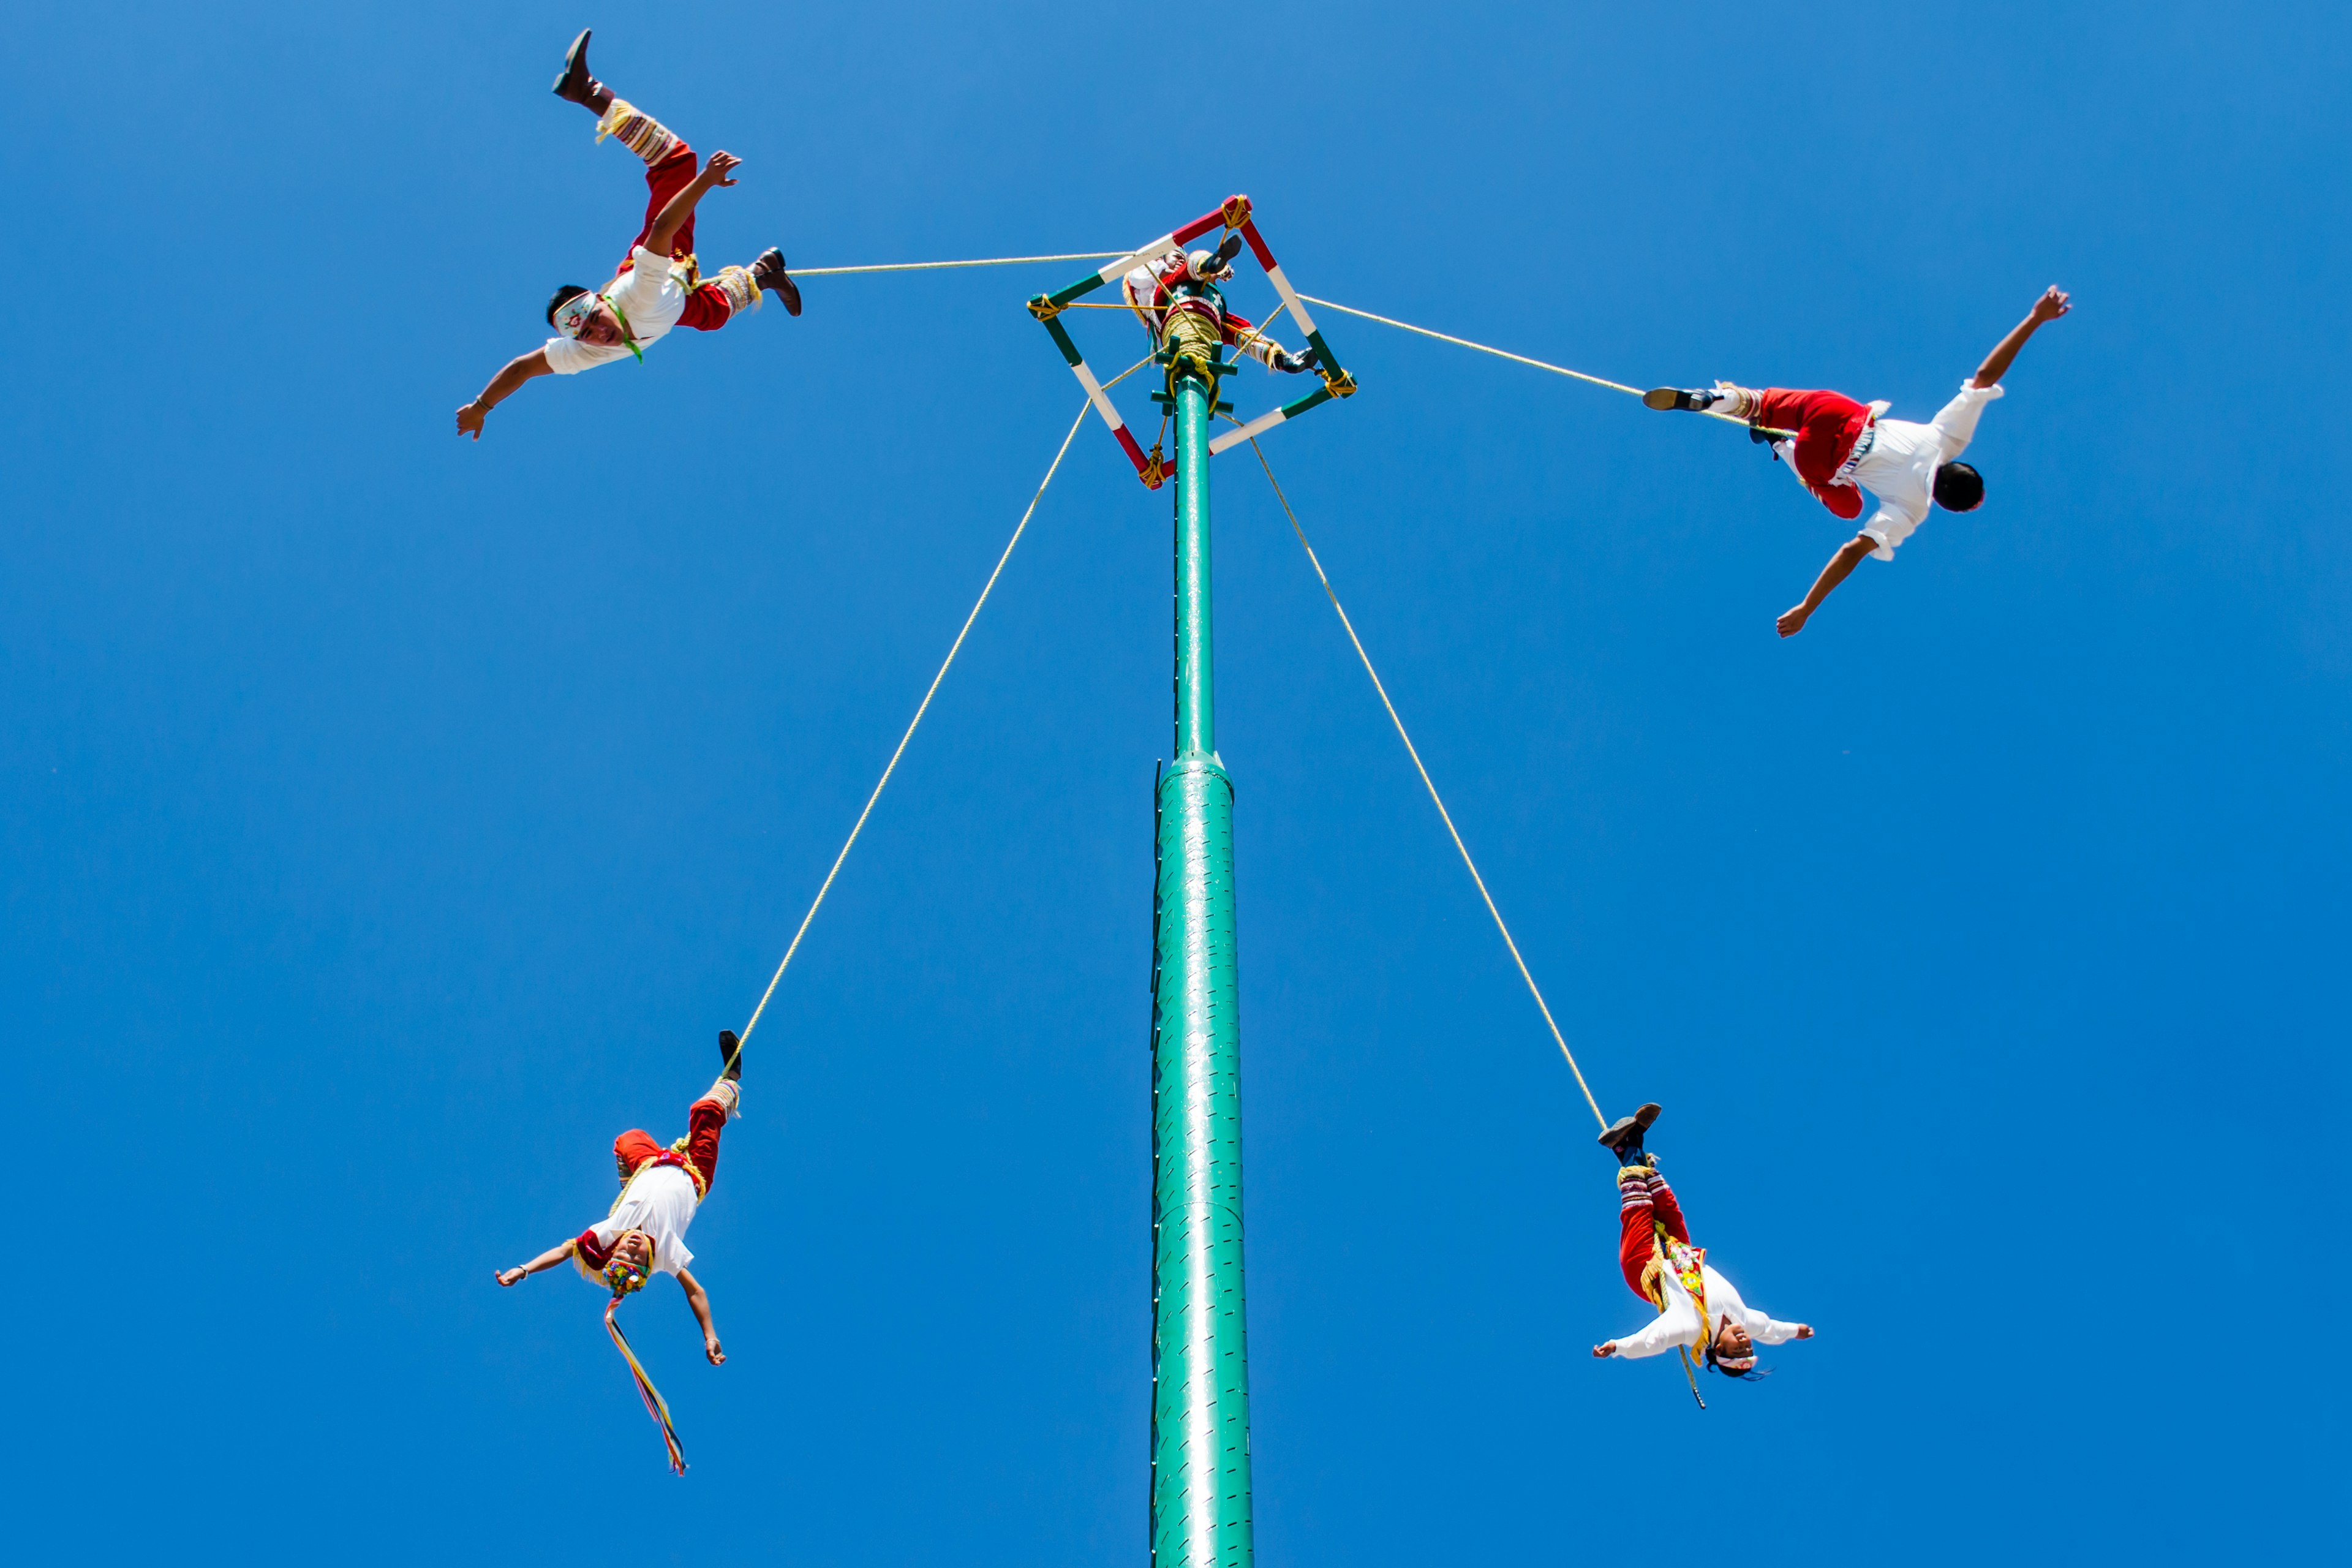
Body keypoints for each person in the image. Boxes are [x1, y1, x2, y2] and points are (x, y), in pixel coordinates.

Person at [1647, 287, 2071, 637]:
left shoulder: (1949, 438)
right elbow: (1853, 552)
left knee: (1765, 404)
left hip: (1842, 413)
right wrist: (1806, 608)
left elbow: (1985, 377)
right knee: (1849, 507)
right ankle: (1779, 446)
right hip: (1824, 461)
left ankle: (1716, 399)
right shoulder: (1913, 510)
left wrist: (2035, 318)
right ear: (1942, 502)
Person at [454, 31, 802, 441]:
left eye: (595, 321)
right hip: (677, 307)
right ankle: (765, 273)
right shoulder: (584, 350)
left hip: (666, 261)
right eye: (586, 333)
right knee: (712, 315)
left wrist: (706, 181)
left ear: (603, 301)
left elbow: (662, 229)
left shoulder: (638, 292)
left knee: (678, 163)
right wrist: (481, 408)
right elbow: (524, 368)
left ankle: (587, 92)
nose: (599, 335)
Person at [494, 1030, 748, 1368]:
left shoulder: (611, 1232)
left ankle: (632, 1187)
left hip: (652, 1165)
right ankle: (732, 1079)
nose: (631, 1245)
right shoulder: (667, 1254)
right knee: (704, 1113)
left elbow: (564, 1250)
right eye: (638, 1254)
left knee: (627, 1139)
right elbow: (696, 1292)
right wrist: (710, 1335)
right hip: (695, 1173)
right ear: (648, 1263)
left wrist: (523, 1269)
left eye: (624, 1250)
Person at [1589, 1102, 1813, 1381]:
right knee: (1668, 1206)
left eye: (1737, 1352)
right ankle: (1632, 1142)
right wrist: (1796, 1331)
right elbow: (1770, 1329)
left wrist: (1617, 1347)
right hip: (1682, 1254)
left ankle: (1627, 1147)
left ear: (1718, 1349)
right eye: (1749, 1349)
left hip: (1646, 1269)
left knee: (1639, 1207)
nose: (1745, 1345)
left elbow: (1652, 1340)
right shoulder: (1746, 1320)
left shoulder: (1692, 1327)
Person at [1123, 236, 1319, 390]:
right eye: (1176, 258)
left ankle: (1282, 360)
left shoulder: (1185, 274)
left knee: (1240, 330)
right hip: (1168, 306)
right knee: (1195, 263)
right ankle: (1206, 263)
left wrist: (1214, 275)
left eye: (1181, 259)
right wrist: (1205, 270)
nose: (1179, 262)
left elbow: (1198, 280)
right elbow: (1151, 278)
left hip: (1207, 309)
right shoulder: (1146, 274)